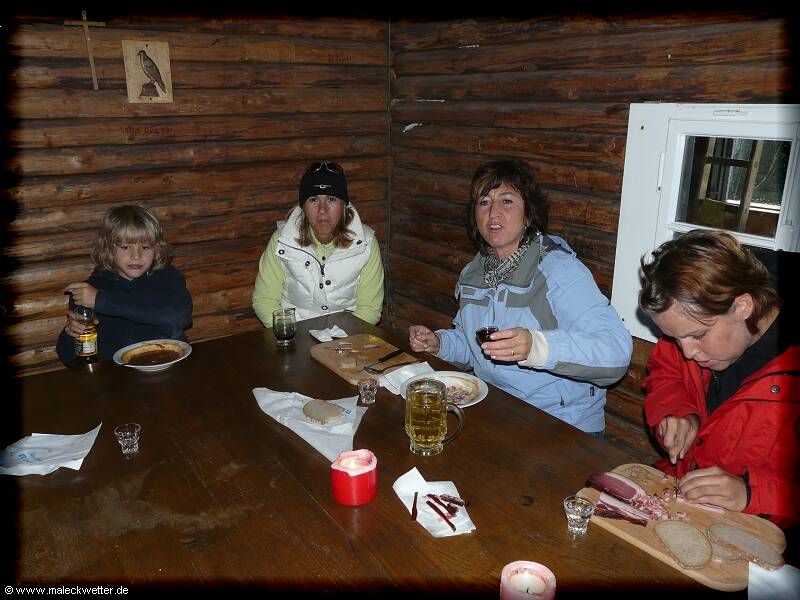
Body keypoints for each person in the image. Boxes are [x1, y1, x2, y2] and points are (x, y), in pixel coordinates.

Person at [408, 160, 632, 435]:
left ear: (528, 214)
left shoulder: (559, 271)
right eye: (484, 202)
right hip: (499, 412)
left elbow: (615, 353)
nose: (493, 212)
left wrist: (537, 347)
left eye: (507, 201)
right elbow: (476, 347)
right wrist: (440, 343)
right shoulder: (474, 272)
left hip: (562, 424)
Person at [640, 229, 799, 528]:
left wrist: (751, 493)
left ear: (743, 307)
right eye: (674, 338)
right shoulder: (688, 325)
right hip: (682, 497)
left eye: (698, 335)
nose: (687, 352)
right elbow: (665, 371)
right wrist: (676, 409)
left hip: (759, 531)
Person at [56, 205, 193, 367]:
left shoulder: (168, 277)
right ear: (108, 249)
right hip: (116, 377)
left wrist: (101, 300)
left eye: (145, 247)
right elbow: (70, 360)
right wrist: (71, 333)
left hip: (170, 368)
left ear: (156, 249)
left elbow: (179, 316)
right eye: (125, 247)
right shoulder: (89, 291)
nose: (136, 256)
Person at [252, 160, 384, 326]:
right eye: (314, 200)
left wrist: (339, 339)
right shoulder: (282, 241)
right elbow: (264, 300)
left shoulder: (366, 243)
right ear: (303, 206)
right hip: (295, 334)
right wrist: (290, 334)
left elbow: (370, 309)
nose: (322, 210)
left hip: (348, 335)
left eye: (331, 199)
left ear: (344, 205)